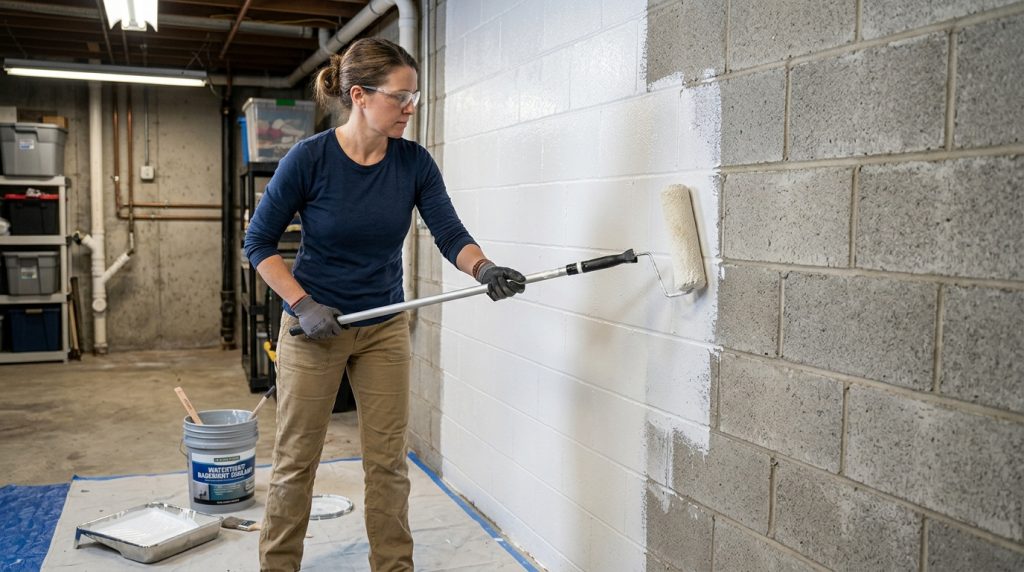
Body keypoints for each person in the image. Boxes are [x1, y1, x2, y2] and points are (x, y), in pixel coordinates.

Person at [243, 38, 525, 571]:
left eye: (414, 95)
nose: (411, 107)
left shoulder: (413, 163)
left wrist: (484, 268)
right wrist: (302, 303)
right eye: (401, 96)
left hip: (382, 325)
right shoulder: (310, 158)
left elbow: (450, 234)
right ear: (360, 96)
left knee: (388, 464)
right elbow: (257, 243)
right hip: (312, 328)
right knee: (295, 463)